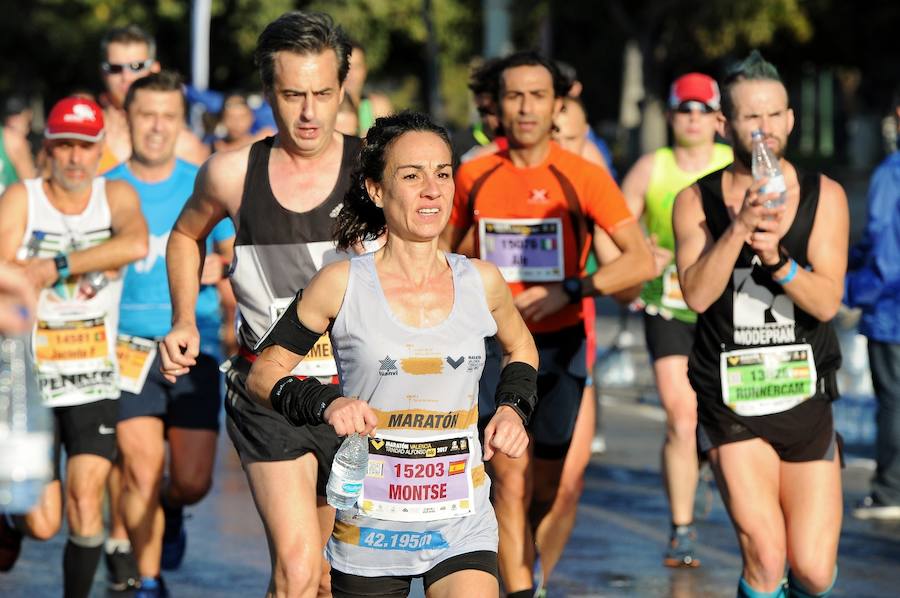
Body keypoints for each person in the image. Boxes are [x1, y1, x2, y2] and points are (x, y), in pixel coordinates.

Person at [246, 110, 536, 598]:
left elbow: (521, 346)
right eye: (411, 175)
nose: (431, 189)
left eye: (442, 174)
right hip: (371, 528)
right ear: (377, 191)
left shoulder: (481, 282)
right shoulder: (340, 284)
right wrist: (326, 403)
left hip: (460, 519)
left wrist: (513, 407)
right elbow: (263, 373)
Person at [157, 11, 362, 597]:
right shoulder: (229, 173)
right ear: (269, 91)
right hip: (267, 391)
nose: (308, 112)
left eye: (323, 93)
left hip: (356, 397)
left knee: (329, 578)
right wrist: (181, 318)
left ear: (341, 90)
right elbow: (184, 236)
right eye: (292, 94)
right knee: (297, 572)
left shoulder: (375, 170)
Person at [443, 51, 654, 597]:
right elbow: (440, 251)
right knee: (508, 479)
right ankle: (517, 588)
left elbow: (639, 260)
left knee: (548, 487)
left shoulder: (581, 174)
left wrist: (574, 287)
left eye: (538, 96)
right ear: (497, 105)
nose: (526, 107)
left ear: (558, 105)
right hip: (496, 347)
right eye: (514, 96)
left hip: (562, 344)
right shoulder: (474, 173)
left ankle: (527, 564)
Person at [673, 51, 846, 598]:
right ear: (726, 125)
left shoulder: (825, 196)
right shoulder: (695, 200)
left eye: (774, 116)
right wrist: (739, 227)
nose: (765, 129)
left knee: (814, 572)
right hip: (732, 401)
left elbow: (825, 304)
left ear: (791, 119)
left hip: (803, 394)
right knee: (767, 558)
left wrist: (778, 260)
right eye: (751, 117)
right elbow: (698, 295)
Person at [0, 97, 148, 597]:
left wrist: (55, 267)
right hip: (30, 377)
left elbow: (134, 244)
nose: (74, 158)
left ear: (100, 149)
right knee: (43, 523)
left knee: (87, 499)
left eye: (85, 147)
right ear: (48, 148)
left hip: (92, 374)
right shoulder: (24, 198)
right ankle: (8, 516)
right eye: (64, 145)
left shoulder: (116, 195)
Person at [99, 71, 236, 597]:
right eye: (145, 115)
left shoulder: (200, 182)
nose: (156, 127)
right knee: (139, 467)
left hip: (193, 344)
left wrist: (215, 271)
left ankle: (171, 510)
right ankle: (148, 580)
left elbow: (229, 256)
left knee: (192, 481)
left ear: (181, 122)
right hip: (127, 349)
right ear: (126, 118)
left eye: (168, 117)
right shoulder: (105, 185)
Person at [619, 72, 733, 567]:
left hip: (726, 309)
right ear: (670, 116)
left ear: (718, 118)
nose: (692, 119)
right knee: (680, 416)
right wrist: (641, 249)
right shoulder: (652, 167)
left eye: (701, 110)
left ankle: (709, 459)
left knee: (723, 417)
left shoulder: (736, 164)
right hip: (666, 304)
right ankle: (682, 529)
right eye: (684, 110)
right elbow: (615, 233)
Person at [846, 86, 900, 521]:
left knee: (894, 401)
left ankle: (889, 490)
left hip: (891, 308)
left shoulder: (891, 172)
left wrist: (849, 288)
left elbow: (880, 238)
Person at [97, 25, 209, 172]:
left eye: (136, 66)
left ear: (154, 69)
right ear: (102, 72)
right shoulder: (84, 134)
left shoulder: (184, 145)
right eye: (115, 68)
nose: (126, 76)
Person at [345, 39, 394, 136]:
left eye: (357, 67)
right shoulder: (325, 109)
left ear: (365, 70)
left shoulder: (378, 108)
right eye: (347, 67)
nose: (351, 74)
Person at [553, 97, 608, 169]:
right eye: (554, 139)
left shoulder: (592, 162)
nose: (563, 147)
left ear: (586, 131)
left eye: (571, 139)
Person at [0, 100, 36, 194]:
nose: (13, 120)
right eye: (10, 115)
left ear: (29, 115)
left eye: (17, 115)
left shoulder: (14, 142)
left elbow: (31, 189)